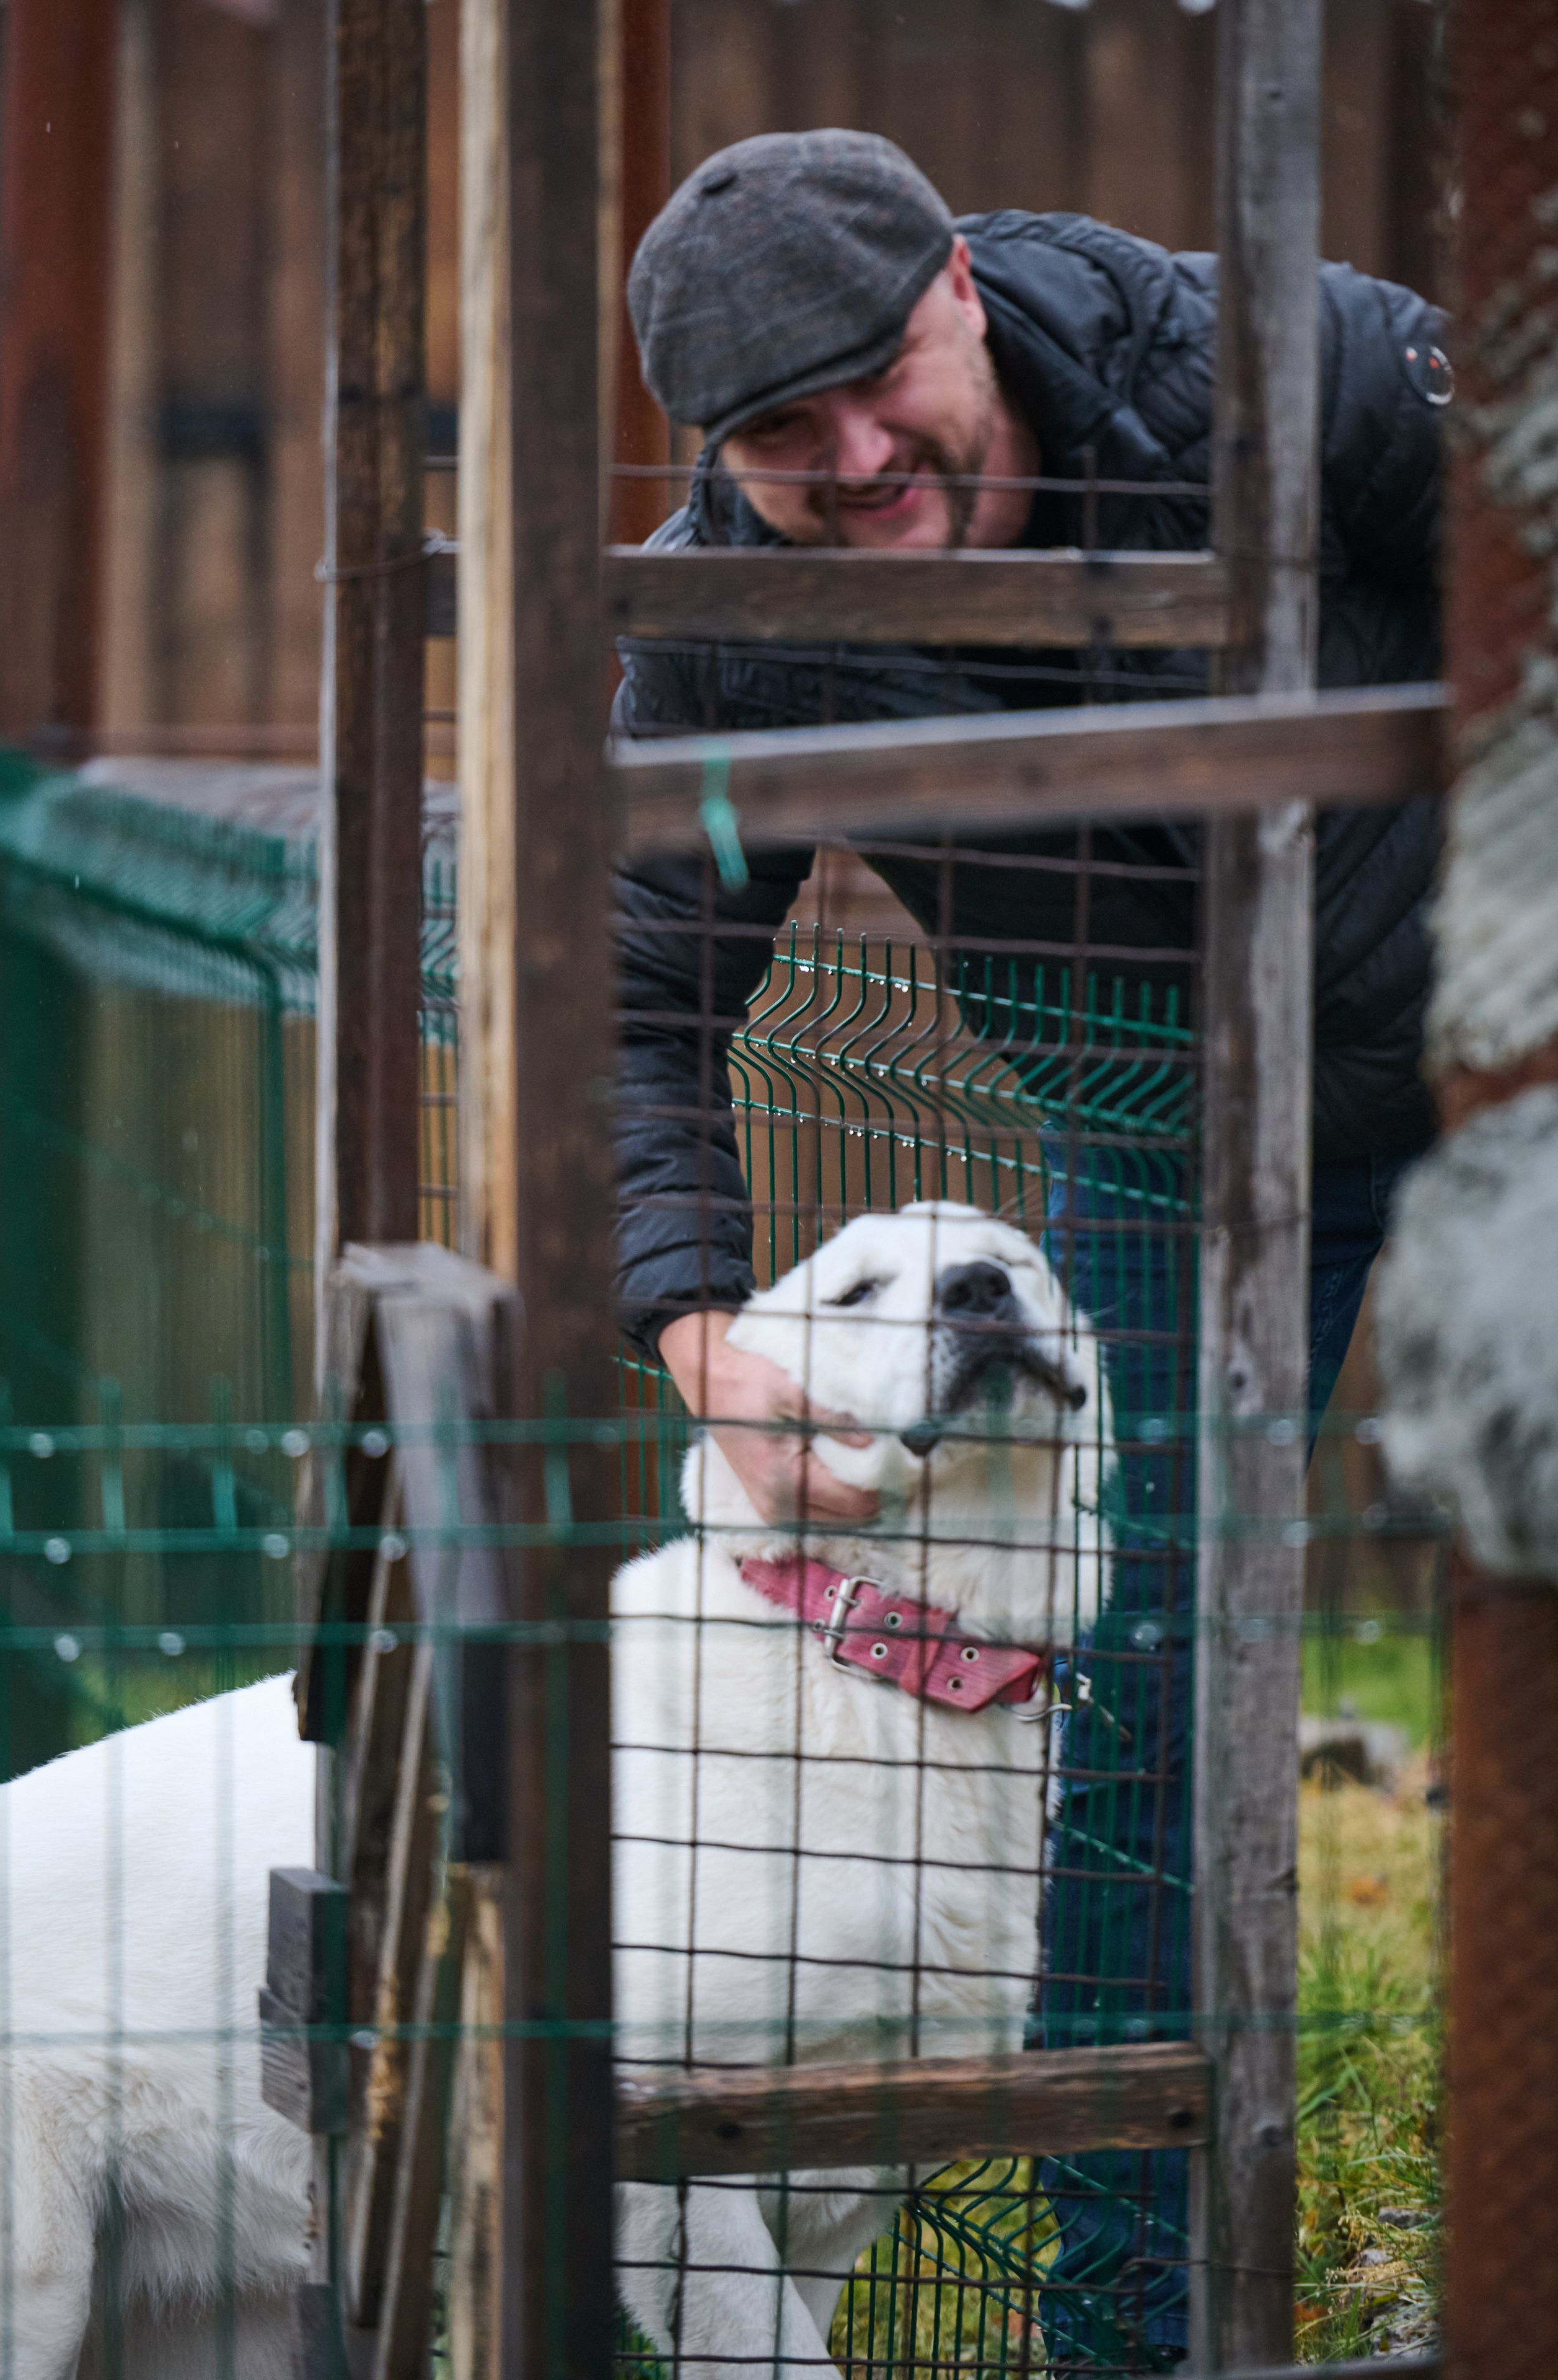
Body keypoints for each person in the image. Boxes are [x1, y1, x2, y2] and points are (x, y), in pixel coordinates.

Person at [610, 128, 1443, 2366]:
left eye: (883, 378)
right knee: (1143, 1702)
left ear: (962, 286)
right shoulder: (728, 630)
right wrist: (694, 1325)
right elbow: (632, 982)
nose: (860, 456)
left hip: (1512, 1017)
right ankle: (1137, 2320)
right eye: (786, 439)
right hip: (1174, 1127)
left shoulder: (1296, 369)